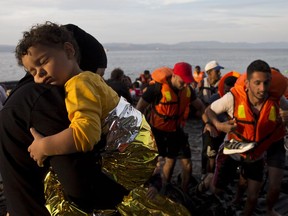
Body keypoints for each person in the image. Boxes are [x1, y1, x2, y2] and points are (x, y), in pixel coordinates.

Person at [13, 21, 158, 214]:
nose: (39, 74)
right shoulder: (91, 79)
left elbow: (84, 135)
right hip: (140, 154)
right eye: (32, 72)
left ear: (69, 51)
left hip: (127, 162)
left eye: (43, 62)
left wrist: (44, 146)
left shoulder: (78, 85)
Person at [205, 60, 288, 216]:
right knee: (217, 190)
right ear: (248, 83)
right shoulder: (233, 98)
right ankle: (208, 180)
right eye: (257, 83)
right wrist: (219, 125)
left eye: (266, 83)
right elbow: (209, 110)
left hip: (256, 154)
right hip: (233, 150)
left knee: (253, 198)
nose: (262, 89)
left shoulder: (277, 99)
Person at [136, 62, 207, 192]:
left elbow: (201, 107)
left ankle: (183, 192)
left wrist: (207, 123)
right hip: (157, 131)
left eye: (188, 81)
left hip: (176, 130)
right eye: (183, 81)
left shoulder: (188, 90)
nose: (185, 84)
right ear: (174, 76)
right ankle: (159, 189)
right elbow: (139, 108)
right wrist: (140, 130)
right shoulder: (156, 88)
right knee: (158, 163)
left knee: (186, 163)